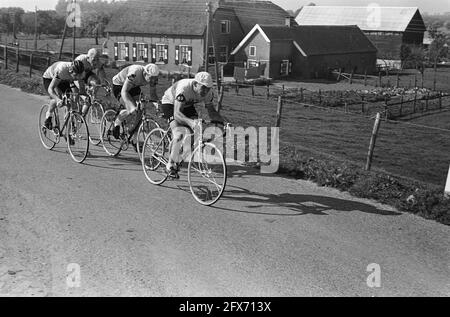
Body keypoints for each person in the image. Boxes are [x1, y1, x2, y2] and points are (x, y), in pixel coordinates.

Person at [160, 71, 221, 178]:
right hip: (170, 103)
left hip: (187, 105)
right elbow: (177, 113)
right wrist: (191, 122)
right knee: (179, 135)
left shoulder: (208, 93)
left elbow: (211, 111)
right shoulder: (184, 88)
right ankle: (169, 165)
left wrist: (222, 123)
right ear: (195, 84)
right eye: (203, 88)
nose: (206, 91)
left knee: (196, 134)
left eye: (208, 88)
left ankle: (179, 158)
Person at [111, 63, 160, 139]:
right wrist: (131, 107)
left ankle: (133, 132)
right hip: (120, 85)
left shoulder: (153, 78)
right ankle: (117, 123)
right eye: (151, 78)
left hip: (134, 85)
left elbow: (153, 95)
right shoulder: (134, 73)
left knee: (141, 107)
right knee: (131, 108)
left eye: (155, 78)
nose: (153, 80)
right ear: (145, 73)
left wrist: (157, 105)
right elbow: (124, 91)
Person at [42, 60, 85, 130]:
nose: (77, 77)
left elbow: (79, 90)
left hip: (66, 79)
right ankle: (48, 117)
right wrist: (58, 100)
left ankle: (68, 123)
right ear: (71, 71)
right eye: (75, 75)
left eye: (79, 75)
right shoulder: (62, 70)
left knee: (71, 98)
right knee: (58, 96)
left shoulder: (80, 73)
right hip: (50, 78)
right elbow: (51, 89)